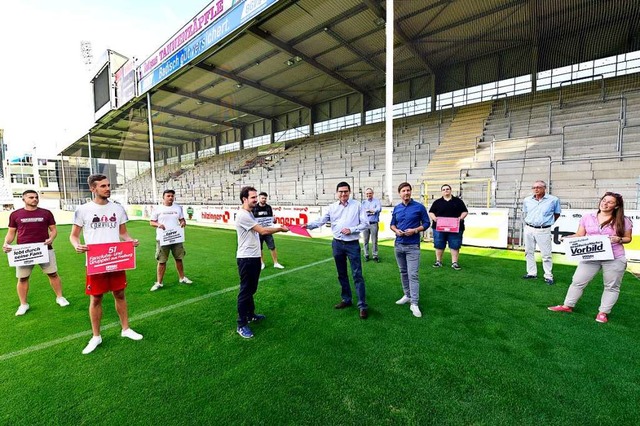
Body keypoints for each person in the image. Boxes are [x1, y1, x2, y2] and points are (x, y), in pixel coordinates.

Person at [70, 174, 143, 354]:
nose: (107, 188)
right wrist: (76, 245)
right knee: (96, 298)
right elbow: (73, 235)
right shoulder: (83, 210)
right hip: (96, 261)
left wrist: (130, 240)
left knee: (120, 293)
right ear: (93, 189)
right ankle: (96, 336)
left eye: (108, 185)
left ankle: (126, 329)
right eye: (103, 186)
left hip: (116, 258)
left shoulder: (118, 209)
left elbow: (123, 233)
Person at [548, 192, 632, 323]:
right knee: (577, 281)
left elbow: (628, 238)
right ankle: (567, 306)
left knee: (611, 286)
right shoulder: (588, 217)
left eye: (610, 202)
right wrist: (567, 238)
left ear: (616, 206)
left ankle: (603, 312)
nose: (605, 203)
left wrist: (619, 239)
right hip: (591, 255)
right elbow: (580, 234)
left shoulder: (624, 220)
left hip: (615, 257)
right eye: (604, 200)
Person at [305, 182, 370, 319]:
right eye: (340, 192)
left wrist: (351, 230)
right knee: (341, 274)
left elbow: (365, 223)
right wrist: (308, 226)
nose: (343, 194)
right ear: (337, 193)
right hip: (337, 244)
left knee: (357, 275)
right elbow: (322, 220)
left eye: (346, 191)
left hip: (352, 244)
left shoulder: (357, 205)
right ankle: (346, 299)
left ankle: (362, 305)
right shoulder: (332, 207)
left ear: (350, 192)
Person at [3, 190, 69, 316]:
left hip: (44, 249)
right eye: (31, 197)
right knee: (22, 278)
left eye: (36, 197)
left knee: (53, 274)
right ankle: (23, 304)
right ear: (24, 199)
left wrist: (51, 238)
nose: (35, 199)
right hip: (24, 251)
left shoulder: (46, 213)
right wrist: (6, 243)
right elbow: (11, 232)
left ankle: (60, 297)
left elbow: (53, 230)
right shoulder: (15, 214)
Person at [235, 186, 289, 338]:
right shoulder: (243, 215)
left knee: (251, 289)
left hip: (253, 257)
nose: (256, 199)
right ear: (244, 199)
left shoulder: (250, 213)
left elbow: (263, 227)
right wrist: (279, 229)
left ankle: (251, 315)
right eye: (253, 197)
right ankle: (241, 324)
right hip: (246, 258)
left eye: (256, 197)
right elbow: (263, 231)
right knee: (245, 291)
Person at [390, 182, 430, 318]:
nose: (406, 193)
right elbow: (392, 224)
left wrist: (415, 230)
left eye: (408, 190)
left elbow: (427, 223)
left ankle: (414, 303)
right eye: (403, 191)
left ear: (411, 192)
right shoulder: (396, 208)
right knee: (403, 272)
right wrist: (397, 231)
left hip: (413, 246)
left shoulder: (419, 207)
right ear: (399, 193)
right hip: (399, 244)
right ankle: (407, 295)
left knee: (413, 274)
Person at [149, 189, 192, 291]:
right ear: (163, 197)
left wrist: (183, 223)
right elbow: (151, 222)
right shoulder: (158, 209)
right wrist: (158, 224)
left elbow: (182, 219)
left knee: (179, 258)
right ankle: (159, 282)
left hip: (176, 237)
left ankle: (182, 278)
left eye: (172, 196)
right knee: (162, 261)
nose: (170, 198)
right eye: (168, 196)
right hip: (163, 239)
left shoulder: (177, 208)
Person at [522, 180, 561, 284]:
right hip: (529, 228)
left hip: (544, 229)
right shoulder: (527, 200)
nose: (536, 189)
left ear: (545, 188)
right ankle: (531, 273)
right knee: (528, 252)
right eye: (534, 187)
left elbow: (557, 213)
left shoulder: (554, 200)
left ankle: (548, 275)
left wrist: (547, 222)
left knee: (546, 254)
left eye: (539, 187)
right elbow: (526, 212)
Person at [429, 184, 468, 270]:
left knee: (455, 245)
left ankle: (454, 262)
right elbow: (431, 212)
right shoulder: (437, 202)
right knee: (439, 244)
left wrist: (460, 218)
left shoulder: (458, 201)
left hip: (455, 228)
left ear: (450, 190)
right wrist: (434, 218)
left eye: (447, 189)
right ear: (441, 192)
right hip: (439, 228)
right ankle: (438, 261)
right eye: (443, 189)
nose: (446, 190)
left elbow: (465, 211)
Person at [252, 192, 284, 270]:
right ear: (259, 198)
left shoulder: (269, 207)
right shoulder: (254, 208)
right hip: (258, 231)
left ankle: (276, 263)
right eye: (262, 198)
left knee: (272, 246)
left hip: (268, 230)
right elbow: (252, 219)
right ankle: (262, 263)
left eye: (265, 198)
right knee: (259, 248)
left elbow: (271, 220)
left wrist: (274, 220)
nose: (264, 199)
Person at [361, 187, 382, 262]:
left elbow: (379, 209)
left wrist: (372, 211)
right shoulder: (363, 202)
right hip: (365, 224)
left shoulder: (376, 201)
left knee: (374, 240)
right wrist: (372, 212)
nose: (368, 195)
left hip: (374, 223)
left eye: (370, 193)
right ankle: (366, 255)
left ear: (372, 193)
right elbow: (363, 212)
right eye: (367, 193)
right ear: (365, 194)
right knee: (365, 240)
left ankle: (375, 255)